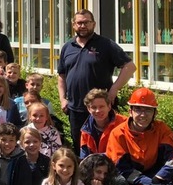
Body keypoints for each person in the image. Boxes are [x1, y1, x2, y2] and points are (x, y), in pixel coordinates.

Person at [57, 9, 136, 146]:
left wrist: (114, 90)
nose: (83, 26)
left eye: (86, 22)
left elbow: (130, 67)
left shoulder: (106, 45)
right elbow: (61, 75)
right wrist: (63, 99)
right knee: (80, 146)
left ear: (93, 24)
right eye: (79, 23)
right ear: (73, 24)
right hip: (76, 109)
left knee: (106, 146)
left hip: (101, 109)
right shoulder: (67, 47)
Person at [103, 87, 173, 185]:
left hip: (158, 180)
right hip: (130, 183)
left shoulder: (162, 130)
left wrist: (159, 178)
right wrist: (149, 182)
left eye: (148, 110)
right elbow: (121, 169)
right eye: (138, 109)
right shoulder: (118, 134)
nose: (143, 115)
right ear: (130, 111)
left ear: (155, 112)